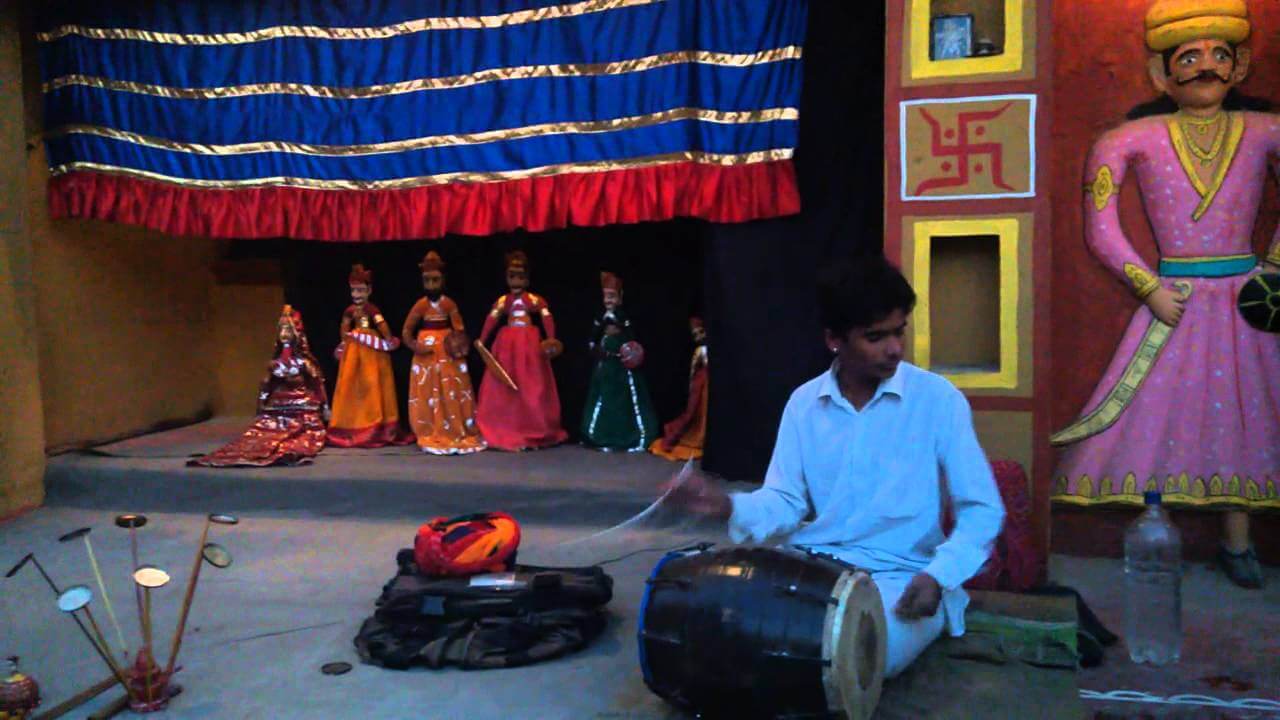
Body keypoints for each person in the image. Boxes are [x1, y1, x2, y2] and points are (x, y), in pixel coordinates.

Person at [666, 256, 1004, 679]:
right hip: (813, 567)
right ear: (834, 340)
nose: (895, 348)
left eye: (899, 331)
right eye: (875, 337)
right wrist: (729, 508)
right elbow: (785, 500)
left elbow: (982, 509)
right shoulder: (804, 404)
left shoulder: (938, 400)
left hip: (900, 578)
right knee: (720, 630)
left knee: (855, 655)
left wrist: (939, 575)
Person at [1052, 0, 1280, 588]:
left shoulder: (1266, 131)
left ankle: (1239, 541)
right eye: (1189, 56)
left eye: (1219, 54)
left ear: (1240, 65)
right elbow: (1100, 228)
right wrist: (1148, 287)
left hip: (1247, 298)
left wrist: (1274, 270)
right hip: (1170, 298)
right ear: (1161, 73)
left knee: (1247, 413)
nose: (1206, 65)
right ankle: (1163, 534)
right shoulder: (1128, 140)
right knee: (1165, 413)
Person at [190, 305, 329, 467]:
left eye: (288, 330)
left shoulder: (304, 363)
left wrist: (325, 407)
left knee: (303, 433)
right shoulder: (274, 364)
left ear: (296, 334)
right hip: (278, 404)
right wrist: (261, 403)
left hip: (302, 405)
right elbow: (266, 383)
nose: (284, 334)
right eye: (281, 330)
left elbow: (317, 383)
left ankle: (289, 447)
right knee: (263, 433)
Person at [474, 251, 568, 451]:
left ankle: (533, 426)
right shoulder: (503, 301)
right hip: (507, 345)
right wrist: (482, 340)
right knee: (503, 385)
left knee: (532, 384)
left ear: (527, 278)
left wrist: (551, 338)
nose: (516, 281)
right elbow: (492, 318)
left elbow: (546, 317)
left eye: (520, 276)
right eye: (512, 276)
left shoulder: (534, 300)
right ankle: (504, 425)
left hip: (528, 345)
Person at [402, 251, 486, 455]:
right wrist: (415, 346)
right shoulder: (421, 305)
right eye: (428, 280)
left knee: (451, 386)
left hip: (448, 349)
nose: (432, 285)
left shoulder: (449, 303)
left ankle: (455, 425)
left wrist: (458, 343)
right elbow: (406, 330)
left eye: (436, 280)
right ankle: (429, 427)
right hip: (426, 351)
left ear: (443, 280)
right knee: (428, 389)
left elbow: (459, 327)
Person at [327, 264, 411, 448]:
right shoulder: (350, 310)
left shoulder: (372, 310)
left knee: (372, 383)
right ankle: (352, 424)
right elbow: (344, 326)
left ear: (369, 291)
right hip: (353, 350)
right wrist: (343, 342)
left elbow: (381, 325)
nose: (357, 295)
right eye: (353, 291)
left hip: (371, 351)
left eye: (361, 291)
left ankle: (376, 423)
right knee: (352, 383)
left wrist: (388, 339)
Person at [580, 272, 659, 452]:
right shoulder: (601, 317)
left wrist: (626, 343)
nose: (608, 300)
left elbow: (631, 337)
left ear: (619, 298)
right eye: (606, 296)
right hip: (605, 366)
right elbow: (593, 335)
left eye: (612, 296)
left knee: (625, 400)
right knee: (603, 398)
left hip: (622, 368)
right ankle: (600, 435)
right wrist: (593, 346)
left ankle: (628, 435)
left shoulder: (622, 317)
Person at [650, 316, 709, 461]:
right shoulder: (700, 351)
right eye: (695, 334)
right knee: (695, 412)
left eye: (700, 332)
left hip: (707, 383)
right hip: (701, 384)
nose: (698, 336)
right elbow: (694, 370)